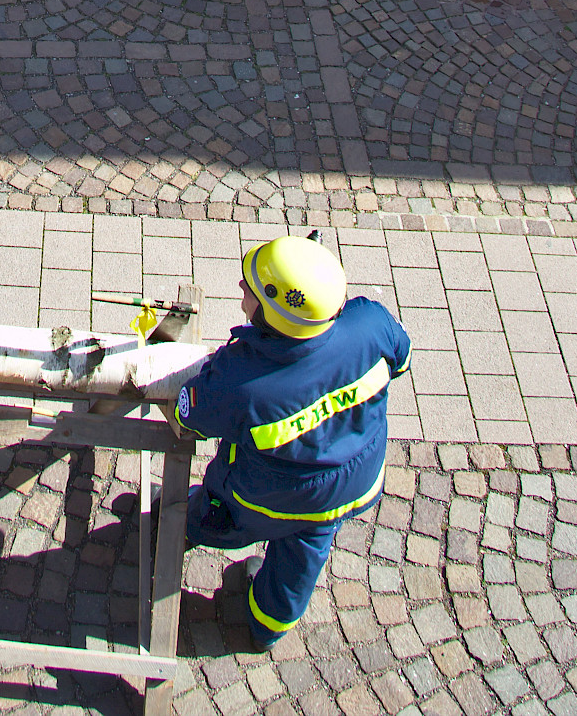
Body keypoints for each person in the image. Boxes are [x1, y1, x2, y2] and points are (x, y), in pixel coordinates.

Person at [173, 234, 411, 650]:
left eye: (250, 289)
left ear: (273, 316)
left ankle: (186, 528)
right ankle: (267, 627)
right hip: (357, 482)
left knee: (219, 512)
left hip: (267, 498)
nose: (241, 290)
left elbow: (187, 418)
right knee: (301, 558)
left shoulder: (243, 384)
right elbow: (401, 358)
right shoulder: (371, 323)